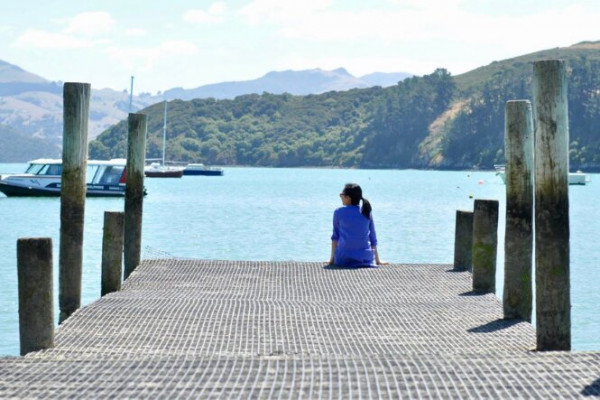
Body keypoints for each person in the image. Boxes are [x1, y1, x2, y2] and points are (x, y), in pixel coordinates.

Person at [328, 183, 387, 268]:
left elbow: (335, 238)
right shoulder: (366, 212)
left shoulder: (338, 212)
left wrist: (332, 260)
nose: (340, 197)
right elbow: (373, 238)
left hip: (344, 259)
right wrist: (377, 261)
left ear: (348, 198)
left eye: (342, 195)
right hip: (365, 258)